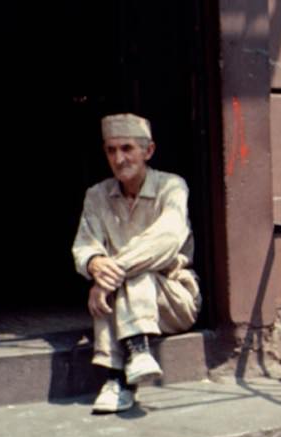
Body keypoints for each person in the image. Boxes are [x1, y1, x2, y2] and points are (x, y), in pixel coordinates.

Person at [72, 113, 201, 413]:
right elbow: (84, 244)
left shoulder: (172, 187)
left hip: (174, 299)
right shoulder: (97, 195)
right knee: (114, 278)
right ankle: (130, 361)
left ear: (148, 151)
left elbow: (167, 239)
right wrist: (93, 265)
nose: (119, 158)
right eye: (111, 150)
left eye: (127, 148)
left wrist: (109, 273)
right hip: (122, 300)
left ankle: (118, 375)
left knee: (131, 275)